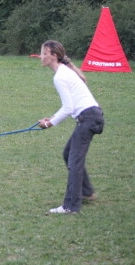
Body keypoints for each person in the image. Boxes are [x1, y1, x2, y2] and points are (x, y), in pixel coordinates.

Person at [37, 40, 104, 214]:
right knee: (69, 154)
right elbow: (71, 105)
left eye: (45, 53)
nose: (41, 56)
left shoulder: (60, 76)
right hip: (90, 117)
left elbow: (69, 108)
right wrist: (50, 118)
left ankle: (70, 206)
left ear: (54, 55)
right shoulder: (64, 72)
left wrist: (49, 123)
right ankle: (87, 192)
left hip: (89, 118)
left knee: (74, 162)